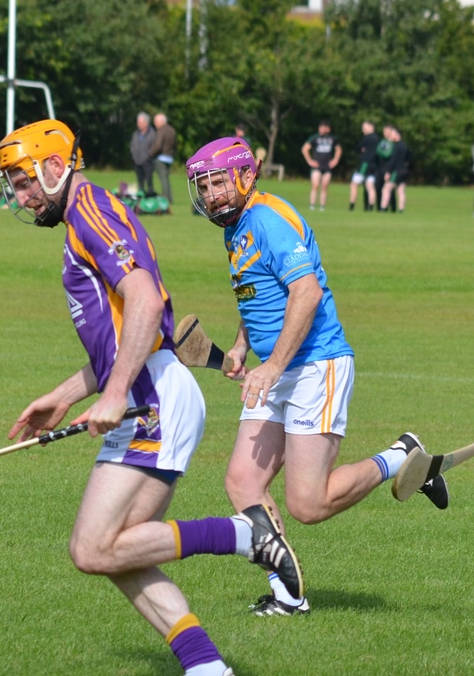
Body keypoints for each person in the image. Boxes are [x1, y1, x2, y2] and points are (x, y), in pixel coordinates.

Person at [0, 120, 303, 676]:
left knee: (92, 548)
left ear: (54, 167)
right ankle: (208, 671)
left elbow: (143, 301)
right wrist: (66, 394)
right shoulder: (87, 211)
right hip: (152, 391)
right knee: (119, 549)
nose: (19, 195)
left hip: (152, 398)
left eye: (22, 181)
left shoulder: (89, 209)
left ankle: (243, 535)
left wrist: (115, 396)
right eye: (13, 185)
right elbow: (122, 332)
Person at [185, 137, 447, 615]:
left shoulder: (268, 218)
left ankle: (402, 454)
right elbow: (258, 292)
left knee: (308, 504)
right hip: (276, 369)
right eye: (203, 187)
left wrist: (273, 365)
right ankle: (288, 595)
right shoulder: (236, 226)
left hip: (314, 365)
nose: (211, 195)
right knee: (244, 482)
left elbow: (304, 294)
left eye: (219, 182)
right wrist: (243, 346)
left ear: (246, 175)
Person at [302, 120, 342, 211]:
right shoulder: (314, 138)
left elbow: (339, 150)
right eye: (320, 127)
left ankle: (322, 206)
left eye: (323, 128)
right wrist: (309, 161)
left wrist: (335, 160)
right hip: (317, 166)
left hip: (327, 166)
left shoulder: (332, 139)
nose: (321, 129)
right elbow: (305, 149)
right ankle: (312, 205)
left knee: (324, 186)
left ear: (328, 129)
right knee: (315, 185)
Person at [349, 120, 379, 212]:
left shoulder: (367, 138)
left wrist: (363, 150)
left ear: (371, 127)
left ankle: (352, 206)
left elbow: (358, 147)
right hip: (374, 164)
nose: (363, 130)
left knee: (354, 184)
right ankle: (370, 208)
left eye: (364, 128)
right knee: (370, 186)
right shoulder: (377, 138)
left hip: (365, 164)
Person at [379, 126, 409, 213]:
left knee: (386, 189)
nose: (390, 136)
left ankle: (383, 208)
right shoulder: (404, 146)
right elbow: (409, 159)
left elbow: (393, 160)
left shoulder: (396, 146)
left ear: (397, 135)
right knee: (400, 191)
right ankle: (401, 210)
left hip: (397, 171)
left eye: (392, 134)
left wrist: (388, 171)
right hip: (404, 171)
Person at [150, 113, 177, 205]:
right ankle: (169, 197)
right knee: (166, 178)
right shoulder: (172, 130)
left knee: (163, 179)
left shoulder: (161, 131)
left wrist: (150, 154)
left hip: (161, 157)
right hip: (169, 157)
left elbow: (157, 146)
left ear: (162, 122)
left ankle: (166, 199)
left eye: (156, 122)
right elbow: (175, 145)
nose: (155, 124)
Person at [130, 112, 156, 198]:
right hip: (137, 161)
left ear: (146, 123)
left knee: (149, 180)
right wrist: (134, 156)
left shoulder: (152, 134)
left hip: (147, 162)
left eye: (140, 123)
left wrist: (148, 156)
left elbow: (154, 147)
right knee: (140, 181)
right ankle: (141, 196)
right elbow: (132, 146)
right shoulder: (136, 134)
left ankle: (150, 197)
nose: (138, 124)